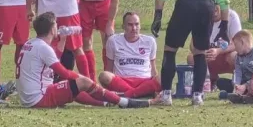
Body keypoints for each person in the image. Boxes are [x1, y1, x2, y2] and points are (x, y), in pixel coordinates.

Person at [15, 12, 151, 109]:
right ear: (52, 29)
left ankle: (105, 102)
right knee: (80, 82)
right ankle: (123, 102)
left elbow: (53, 58)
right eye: (56, 24)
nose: (58, 26)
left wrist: (62, 41)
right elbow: (63, 72)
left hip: (29, 97)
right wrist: (83, 79)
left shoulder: (32, 43)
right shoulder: (43, 48)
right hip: (39, 98)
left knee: (72, 87)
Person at [151, 0, 230, 106]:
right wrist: (224, 27)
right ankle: (198, 96)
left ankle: (166, 95)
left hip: (185, 4)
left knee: (170, 50)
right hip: (207, 5)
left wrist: (158, 16)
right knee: (200, 52)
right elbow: (224, 0)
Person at [98, 12, 160, 98]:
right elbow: (109, 68)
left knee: (164, 77)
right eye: (130, 25)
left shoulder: (150, 41)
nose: (134, 28)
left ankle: (127, 95)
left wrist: (157, 81)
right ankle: (141, 93)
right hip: (122, 81)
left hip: (144, 81)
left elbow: (153, 68)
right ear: (123, 26)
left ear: (140, 26)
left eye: (137, 24)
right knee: (104, 76)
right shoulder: (113, 41)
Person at [186, 5, 242, 89]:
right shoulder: (201, 17)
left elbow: (236, 44)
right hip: (209, 55)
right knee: (191, 58)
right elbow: (192, 45)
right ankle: (212, 80)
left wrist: (218, 51)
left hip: (226, 54)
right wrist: (201, 53)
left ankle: (238, 83)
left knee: (234, 57)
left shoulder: (231, 16)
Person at [219, 30, 253, 95]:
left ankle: (245, 93)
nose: (235, 48)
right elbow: (237, 72)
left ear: (242, 42)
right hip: (243, 83)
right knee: (220, 82)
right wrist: (236, 85)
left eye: (236, 45)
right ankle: (238, 92)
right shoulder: (238, 56)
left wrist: (246, 85)